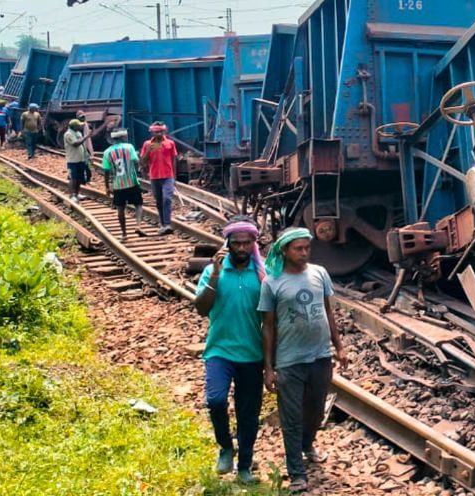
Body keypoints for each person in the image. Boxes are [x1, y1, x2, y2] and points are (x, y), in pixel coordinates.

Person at [259, 227, 348, 493]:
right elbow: (268, 326)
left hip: (320, 356)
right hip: (289, 360)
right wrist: (268, 368)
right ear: (284, 251)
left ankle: (307, 444)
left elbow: (328, 311)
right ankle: (296, 471)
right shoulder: (272, 281)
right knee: (291, 418)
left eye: (306, 247)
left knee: (316, 411)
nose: (304, 252)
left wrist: (339, 347)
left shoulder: (319, 273)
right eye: (298, 248)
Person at [195, 218, 266, 484]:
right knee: (215, 400)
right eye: (236, 243)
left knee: (249, 413)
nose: (241, 248)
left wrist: (271, 362)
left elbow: (271, 320)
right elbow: (201, 308)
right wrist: (214, 273)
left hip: (252, 353)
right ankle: (226, 446)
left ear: (253, 245)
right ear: (227, 244)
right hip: (219, 351)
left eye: (247, 243)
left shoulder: (261, 274)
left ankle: (245, 465)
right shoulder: (214, 271)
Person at [100, 128, 146, 240]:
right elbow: (135, 161)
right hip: (132, 182)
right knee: (138, 204)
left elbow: (106, 171)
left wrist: (107, 187)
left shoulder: (107, 152)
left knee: (120, 209)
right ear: (122, 137)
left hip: (118, 185)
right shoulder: (129, 147)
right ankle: (138, 225)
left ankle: (124, 234)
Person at [139, 122, 178, 235]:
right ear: (152, 132)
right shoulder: (147, 144)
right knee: (159, 201)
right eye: (157, 132)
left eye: (161, 131)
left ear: (164, 131)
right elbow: (143, 161)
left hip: (168, 176)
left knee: (167, 198)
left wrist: (174, 176)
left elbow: (174, 159)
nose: (159, 134)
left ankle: (167, 224)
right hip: (155, 177)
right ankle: (162, 224)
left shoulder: (170, 143)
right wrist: (148, 150)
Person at [63, 119, 91, 202]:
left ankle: (77, 194)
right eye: (79, 125)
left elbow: (82, 145)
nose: (80, 126)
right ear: (74, 126)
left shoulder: (78, 133)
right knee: (73, 178)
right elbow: (75, 144)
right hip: (72, 160)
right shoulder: (68, 134)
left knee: (79, 178)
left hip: (80, 159)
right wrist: (86, 136)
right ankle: (72, 195)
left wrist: (86, 155)